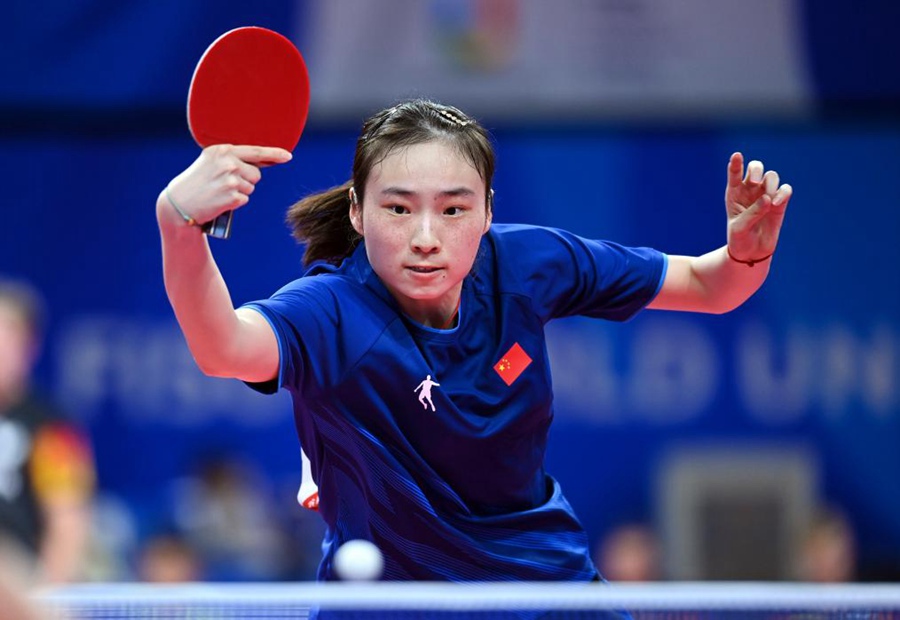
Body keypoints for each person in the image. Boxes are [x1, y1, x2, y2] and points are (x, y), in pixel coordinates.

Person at [156, 99, 792, 583]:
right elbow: (223, 348)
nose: (426, 236)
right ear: (357, 210)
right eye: (399, 209)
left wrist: (746, 255)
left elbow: (711, 287)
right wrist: (179, 226)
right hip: (393, 603)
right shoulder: (332, 313)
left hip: (543, 584)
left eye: (453, 209)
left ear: (487, 210)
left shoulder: (528, 264)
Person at [0, 278, 95, 585]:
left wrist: (43, 602)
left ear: (30, 347)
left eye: (6, 336)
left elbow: (67, 524)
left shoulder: (52, 429)